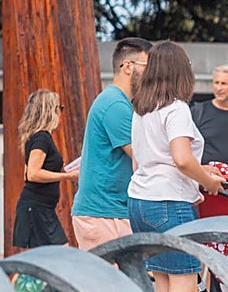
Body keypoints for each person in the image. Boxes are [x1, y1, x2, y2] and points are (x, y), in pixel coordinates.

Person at [128, 41, 226, 292]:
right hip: (169, 204)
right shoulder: (177, 108)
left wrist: (198, 169)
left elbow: (146, 160)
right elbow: (182, 159)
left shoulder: (141, 109)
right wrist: (208, 181)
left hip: (140, 201)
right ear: (180, 71)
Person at [71, 38, 153, 250]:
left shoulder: (118, 102)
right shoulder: (115, 104)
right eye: (148, 66)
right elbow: (142, 157)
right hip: (103, 214)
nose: (153, 74)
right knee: (106, 283)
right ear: (128, 66)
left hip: (110, 212)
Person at [11, 90, 78, 250]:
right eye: (59, 108)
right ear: (50, 110)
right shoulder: (41, 138)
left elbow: (28, 171)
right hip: (36, 208)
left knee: (46, 258)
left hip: (41, 208)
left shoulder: (38, 137)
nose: (60, 113)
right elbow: (32, 174)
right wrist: (68, 176)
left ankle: (16, 276)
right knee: (57, 254)